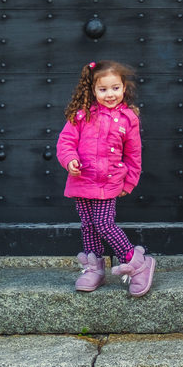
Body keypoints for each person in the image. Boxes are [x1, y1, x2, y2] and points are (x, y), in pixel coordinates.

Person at [56, 60, 155, 297]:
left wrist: (129, 182)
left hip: (108, 181)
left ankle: (137, 262)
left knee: (103, 224)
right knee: (88, 226)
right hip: (82, 181)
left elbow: (134, 154)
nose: (110, 94)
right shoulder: (82, 115)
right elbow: (65, 142)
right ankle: (94, 267)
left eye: (115, 88)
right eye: (103, 89)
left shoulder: (128, 118)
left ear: (124, 88)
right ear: (92, 90)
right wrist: (69, 160)